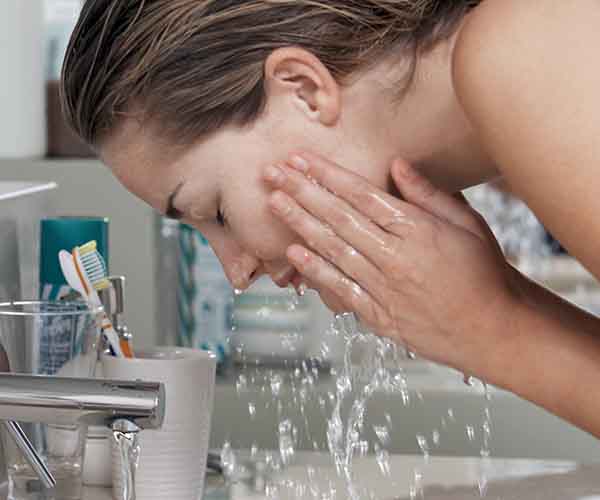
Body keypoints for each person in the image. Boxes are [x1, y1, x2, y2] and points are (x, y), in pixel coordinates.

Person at [61, 0, 600, 438]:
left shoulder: (519, 54)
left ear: (304, 88)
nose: (238, 271)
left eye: (216, 211)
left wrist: (491, 329)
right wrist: (502, 300)